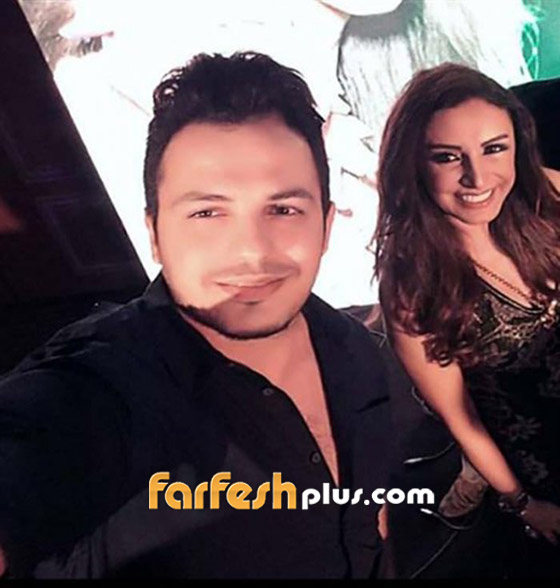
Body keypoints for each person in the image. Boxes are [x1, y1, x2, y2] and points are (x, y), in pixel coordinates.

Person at [0, 51, 392, 579]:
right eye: (207, 212)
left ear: (326, 225)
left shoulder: (356, 350)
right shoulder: (101, 391)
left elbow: (367, 524)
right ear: (155, 234)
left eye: (283, 209)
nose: (251, 250)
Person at [374, 62, 560, 577]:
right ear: (413, 163)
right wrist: (524, 504)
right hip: (541, 461)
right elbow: (463, 419)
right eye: (448, 157)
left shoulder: (547, 196)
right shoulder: (412, 284)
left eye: (494, 149)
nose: (478, 179)